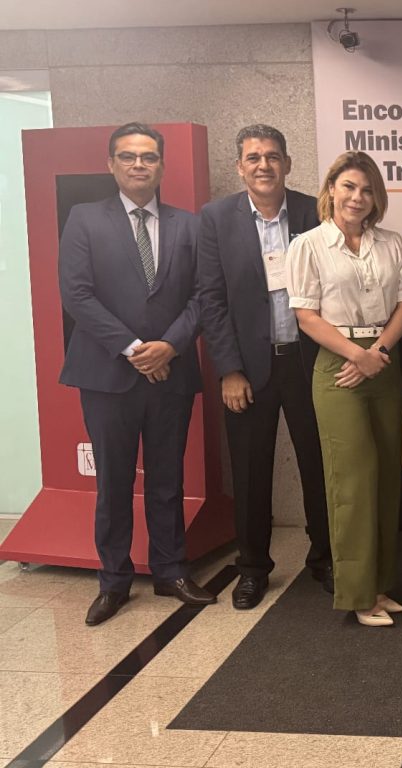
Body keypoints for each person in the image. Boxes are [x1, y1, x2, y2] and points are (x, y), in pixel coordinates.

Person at [58, 122, 215, 626]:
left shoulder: (189, 225)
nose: (139, 165)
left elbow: (202, 295)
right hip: (107, 375)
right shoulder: (85, 219)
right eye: (128, 156)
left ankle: (170, 571)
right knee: (114, 481)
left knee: (168, 478)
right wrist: (132, 349)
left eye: (149, 157)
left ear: (162, 166)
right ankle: (114, 581)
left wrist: (169, 345)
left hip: (171, 371)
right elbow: (77, 293)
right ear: (111, 164)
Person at [197, 124, 331, 611]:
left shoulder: (314, 212)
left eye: (273, 156)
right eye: (253, 157)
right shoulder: (216, 219)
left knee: (320, 465)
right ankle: (252, 568)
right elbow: (211, 299)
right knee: (251, 473)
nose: (263, 165)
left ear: (287, 163)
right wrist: (229, 370)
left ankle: (325, 558)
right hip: (248, 371)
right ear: (239, 166)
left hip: (308, 362)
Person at [286, 151, 402, 627]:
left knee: (384, 478)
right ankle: (358, 595)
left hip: (384, 358)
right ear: (331, 190)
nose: (357, 197)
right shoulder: (308, 245)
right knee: (352, 481)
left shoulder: (392, 243)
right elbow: (306, 316)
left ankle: (380, 585)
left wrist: (375, 352)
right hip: (338, 365)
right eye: (349, 187)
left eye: (366, 189)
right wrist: (356, 355)